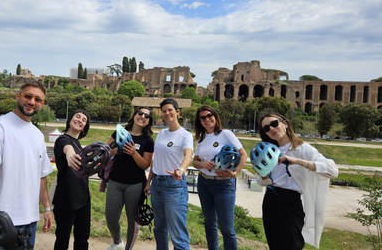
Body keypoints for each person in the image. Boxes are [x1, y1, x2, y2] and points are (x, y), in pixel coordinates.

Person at [0, 80, 54, 249]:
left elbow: (41, 176)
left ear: (41, 104)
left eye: (38, 99)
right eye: (28, 96)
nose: (32, 102)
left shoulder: (37, 135)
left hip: (29, 221)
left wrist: (46, 208)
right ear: (18, 96)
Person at [256, 112, 338, 250]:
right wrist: (262, 172)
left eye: (274, 123)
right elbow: (262, 182)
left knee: (291, 245)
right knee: (274, 245)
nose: (271, 129)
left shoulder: (302, 149)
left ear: (285, 124)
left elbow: (332, 170)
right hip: (270, 199)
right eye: (266, 128)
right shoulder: (268, 150)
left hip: (290, 202)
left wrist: (298, 161)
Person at [192, 105, 247, 250]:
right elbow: (195, 162)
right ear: (200, 121)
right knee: (209, 222)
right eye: (202, 118)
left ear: (215, 116)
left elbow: (243, 155)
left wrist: (235, 173)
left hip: (224, 185)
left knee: (227, 228)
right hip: (204, 182)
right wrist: (203, 163)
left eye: (209, 115)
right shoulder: (201, 139)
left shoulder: (225, 134)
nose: (207, 119)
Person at [144, 98, 193, 250]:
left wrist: (181, 170)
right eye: (164, 111)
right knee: (159, 227)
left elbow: (188, 155)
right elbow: (156, 160)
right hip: (157, 183)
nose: (167, 113)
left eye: (170, 110)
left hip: (173, 184)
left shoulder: (185, 135)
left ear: (178, 112)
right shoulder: (161, 133)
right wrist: (148, 182)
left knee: (177, 231)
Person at [105, 107, 155, 250]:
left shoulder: (148, 140)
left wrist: (134, 153)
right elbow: (106, 153)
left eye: (147, 116)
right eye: (140, 113)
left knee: (133, 221)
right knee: (111, 217)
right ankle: (117, 242)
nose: (143, 116)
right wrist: (117, 149)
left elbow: (145, 165)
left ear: (148, 122)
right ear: (134, 115)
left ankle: (128, 248)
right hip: (115, 182)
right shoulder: (119, 133)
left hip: (135, 184)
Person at [52, 109, 91, 250]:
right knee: (63, 239)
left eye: (84, 120)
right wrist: (70, 155)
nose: (80, 120)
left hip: (83, 198)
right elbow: (67, 149)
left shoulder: (79, 145)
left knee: (82, 239)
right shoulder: (63, 140)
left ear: (85, 127)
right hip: (66, 198)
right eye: (78, 117)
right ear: (70, 119)